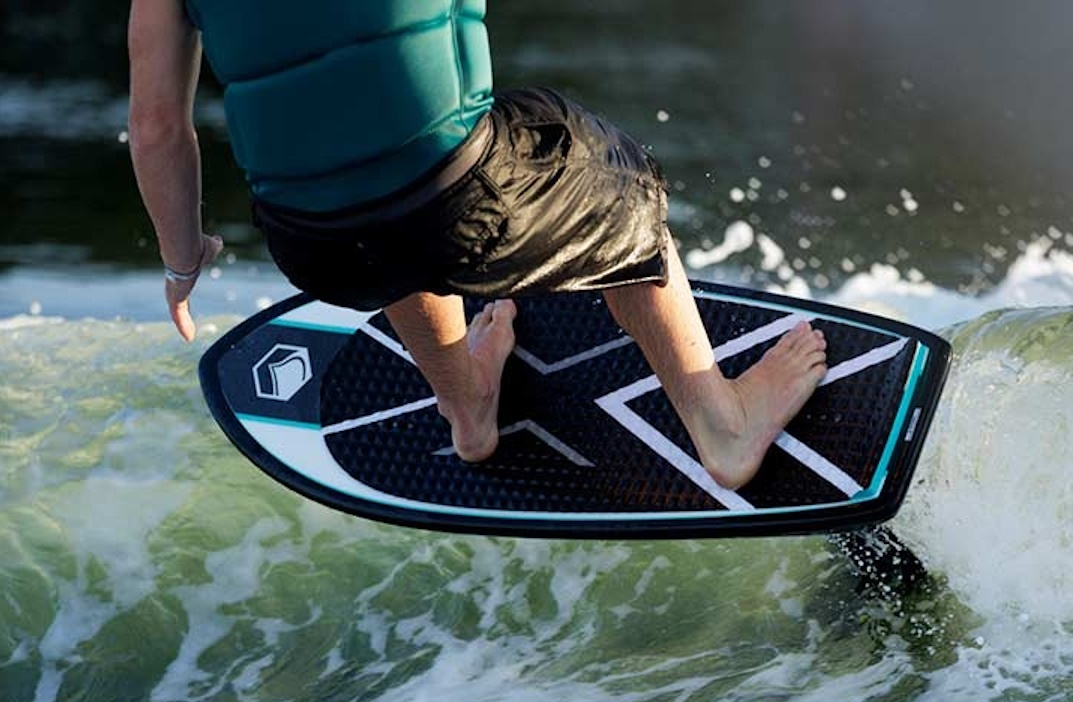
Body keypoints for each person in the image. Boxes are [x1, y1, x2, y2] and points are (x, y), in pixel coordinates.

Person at [126, 0, 827, 487]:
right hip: (458, 206)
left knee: (376, 189)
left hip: (309, 244)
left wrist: (182, 261)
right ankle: (722, 425)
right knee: (623, 181)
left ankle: (467, 409)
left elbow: (157, 127)